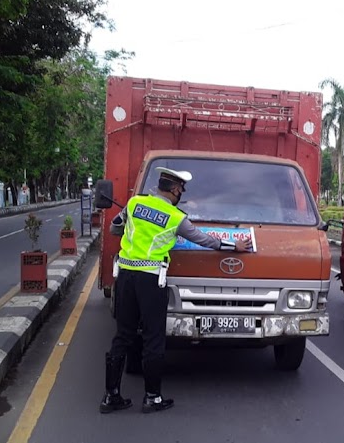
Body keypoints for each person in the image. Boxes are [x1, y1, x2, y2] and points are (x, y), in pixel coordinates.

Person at [100, 167, 253, 414]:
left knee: (124, 335)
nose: (181, 193)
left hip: (126, 276)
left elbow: (114, 229)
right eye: (180, 189)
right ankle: (152, 397)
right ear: (173, 189)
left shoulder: (134, 203)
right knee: (153, 337)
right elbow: (204, 240)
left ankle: (111, 397)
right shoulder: (175, 217)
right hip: (151, 280)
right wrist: (234, 246)